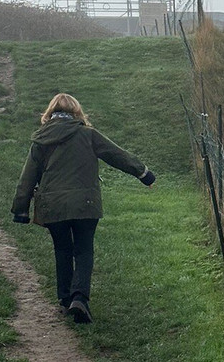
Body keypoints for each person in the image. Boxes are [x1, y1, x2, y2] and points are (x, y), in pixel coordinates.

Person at [11, 93, 155, 323]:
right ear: (77, 113)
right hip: (86, 204)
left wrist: (21, 209)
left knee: (63, 250)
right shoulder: (87, 134)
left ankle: (65, 299)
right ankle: (80, 298)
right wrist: (144, 173)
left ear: (49, 113)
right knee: (84, 250)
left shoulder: (40, 140)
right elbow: (116, 155)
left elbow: (27, 177)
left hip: (53, 206)